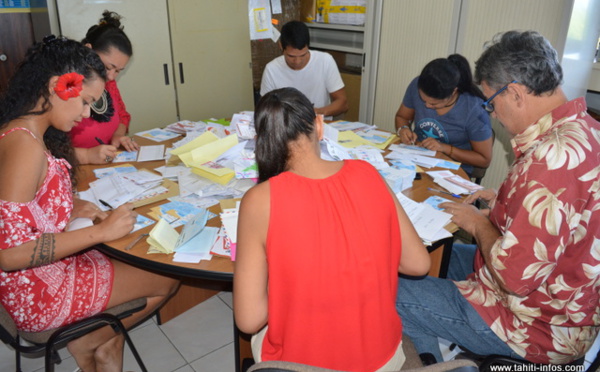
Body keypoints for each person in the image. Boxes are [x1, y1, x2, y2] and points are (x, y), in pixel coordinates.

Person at [396, 30, 600, 365]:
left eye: (491, 102)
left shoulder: (552, 160)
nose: (491, 113)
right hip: (555, 297)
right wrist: (502, 200)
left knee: (390, 291)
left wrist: (477, 224)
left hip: (532, 324)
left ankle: (430, 361)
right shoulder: (584, 129)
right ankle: (429, 347)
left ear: (516, 93)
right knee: (419, 258)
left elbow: (515, 278)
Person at [0, 36, 179, 372]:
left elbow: (27, 209)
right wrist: (100, 233)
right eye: (84, 102)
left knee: (132, 256)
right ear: (57, 86)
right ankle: (88, 341)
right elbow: (8, 254)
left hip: (41, 275)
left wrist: (72, 205)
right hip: (37, 292)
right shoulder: (24, 145)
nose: (85, 115)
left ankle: (105, 346)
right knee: (166, 278)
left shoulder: (26, 131)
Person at [233, 87, 430, 371]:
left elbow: (249, 319)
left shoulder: (259, 201)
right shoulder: (368, 174)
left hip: (301, 365)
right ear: (319, 125)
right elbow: (418, 263)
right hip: (381, 360)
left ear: (262, 142)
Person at [395, 54, 493, 176]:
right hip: (416, 159)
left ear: (453, 92)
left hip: (451, 171)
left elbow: (484, 160)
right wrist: (403, 129)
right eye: (423, 100)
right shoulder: (416, 85)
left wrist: (445, 148)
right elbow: (402, 117)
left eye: (434, 103)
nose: (427, 106)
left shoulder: (474, 110)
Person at [70, 11, 140, 165]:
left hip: (105, 163)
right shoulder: (65, 84)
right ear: (88, 50)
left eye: (118, 71)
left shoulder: (108, 82)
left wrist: (117, 135)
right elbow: (43, 149)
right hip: (75, 169)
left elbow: (122, 115)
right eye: (108, 67)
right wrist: (86, 155)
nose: (111, 76)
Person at [260, 20, 348, 119]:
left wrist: (317, 112)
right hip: (286, 127)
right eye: (291, 56)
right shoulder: (271, 69)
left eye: (302, 55)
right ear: (281, 46)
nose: (297, 61)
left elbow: (342, 103)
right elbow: (265, 109)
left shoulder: (325, 61)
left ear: (308, 46)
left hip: (318, 125)